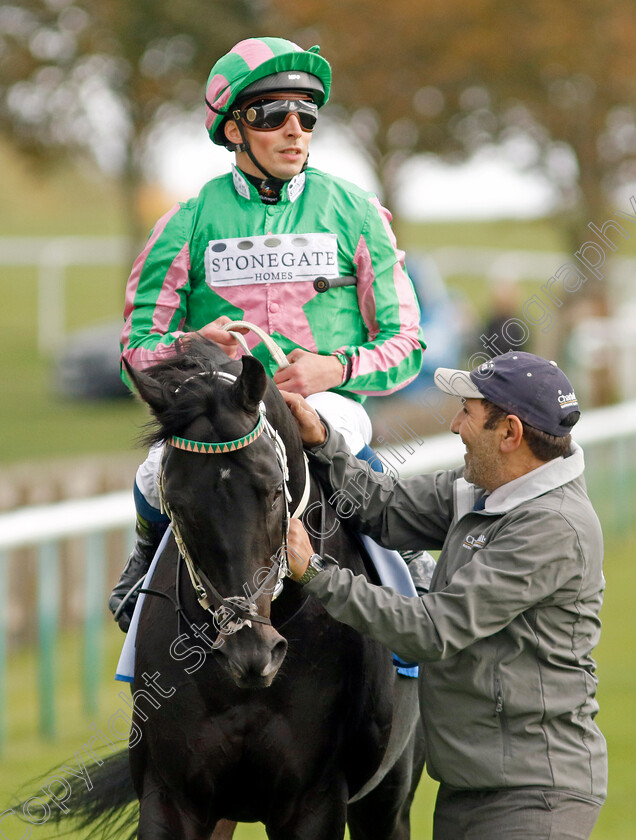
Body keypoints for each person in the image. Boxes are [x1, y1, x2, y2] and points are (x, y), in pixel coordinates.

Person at [109, 36, 425, 630]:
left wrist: (334, 369)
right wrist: (195, 344)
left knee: (356, 455)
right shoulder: (186, 223)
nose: (294, 129)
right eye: (272, 114)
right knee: (153, 472)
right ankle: (144, 561)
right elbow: (137, 351)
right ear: (234, 129)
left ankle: (409, 569)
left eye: (306, 115)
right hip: (223, 406)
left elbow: (408, 343)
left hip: (327, 400)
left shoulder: (357, 214)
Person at [282, 350, 606, 840]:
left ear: (510, 433)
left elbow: (430, 631)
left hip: (535, 799)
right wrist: (324, 442)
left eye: (467, 413)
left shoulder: (553, 527)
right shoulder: (487, 487)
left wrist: (317, 574)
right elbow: (386, 508)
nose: (455, 425)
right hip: (469, 788)